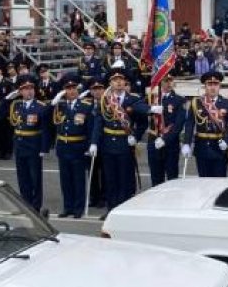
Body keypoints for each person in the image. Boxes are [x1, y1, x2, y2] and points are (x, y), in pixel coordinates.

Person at [95, 67, 146, 211]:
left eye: (121, 80)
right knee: (110, 179)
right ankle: (111, 209)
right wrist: (94, 143)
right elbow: (99, 123)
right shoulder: (105, 101)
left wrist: (135, 137)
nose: (118, 82)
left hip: (125, 143)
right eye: (114, 80)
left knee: (125, 178)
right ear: (110, 83)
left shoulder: (134, 99)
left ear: (125, 82)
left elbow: (143, 123)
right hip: (108, 144)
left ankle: (123, 209)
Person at [52, 77, 96, 218]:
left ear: (78, 90)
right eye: (68, 88)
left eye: (73, 88)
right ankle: (68, 207)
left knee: (78, 179)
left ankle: (78, 208)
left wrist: (90, 146)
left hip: (78, 146)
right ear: (64, 91)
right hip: (63, 147)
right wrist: (54, 102)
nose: (71, 91)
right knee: (65, 180)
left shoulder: (85, 106)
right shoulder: (60, 106)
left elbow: (90, 129)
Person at [10, 76, 52, 214]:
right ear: (20, 91)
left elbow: (46, 129)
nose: (29, 92)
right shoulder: (16, 105)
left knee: (35, 178)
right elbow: (0, 116)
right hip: (19, 145)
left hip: (33, 146)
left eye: (31, 89)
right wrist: (6, 100)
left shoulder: (40, 107)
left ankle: (35, 206)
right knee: (22, 178)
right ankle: (25, 203)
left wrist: (44, 148)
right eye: (25, 89)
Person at [182, 70, 228, 177]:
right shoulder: (196, 102)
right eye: (209, 84)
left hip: (219, 148)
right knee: (203, 180)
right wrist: (187, 143)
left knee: (219, 182)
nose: (212, 87)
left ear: (220, 86)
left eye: (215, 84)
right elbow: (190, 124)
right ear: (205, 86)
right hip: (201, 148)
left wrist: (227, 141)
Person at [145, 73, 185, 187]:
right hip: (153, 141)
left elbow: (178, 125)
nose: (168, 84)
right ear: (160, 82)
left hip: (170, 144)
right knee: (156, 178)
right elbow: (138, 106)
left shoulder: (179, 100)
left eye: (170, 80)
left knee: (172, 179)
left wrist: (165, 139)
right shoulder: (152, 98)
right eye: (165, 81)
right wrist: (150, 108)